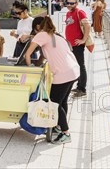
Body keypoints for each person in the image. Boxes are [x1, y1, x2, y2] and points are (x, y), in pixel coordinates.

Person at [24, 16, 80, 145]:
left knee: (54, 104)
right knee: (62, 101)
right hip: (73, 70)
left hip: (63, 74)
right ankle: (59, 126)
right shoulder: (56, 36)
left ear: (38, 27)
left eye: (34, 29)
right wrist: (38, 63)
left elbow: (28, 54)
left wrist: (29, 68)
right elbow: (44, 56)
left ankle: (66, 133)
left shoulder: (41, 35)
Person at [64, 0, 91, 98]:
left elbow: (87, 25)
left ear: (76, 4)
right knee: (75, 65)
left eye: (72, 3)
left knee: (81, 65)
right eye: (68, 3)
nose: (69, 5)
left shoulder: (80, 12)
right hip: (70, 44)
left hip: (77, 44)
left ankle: (82, 89)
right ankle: (79, 85)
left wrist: (83, 40)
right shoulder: (68, 13)